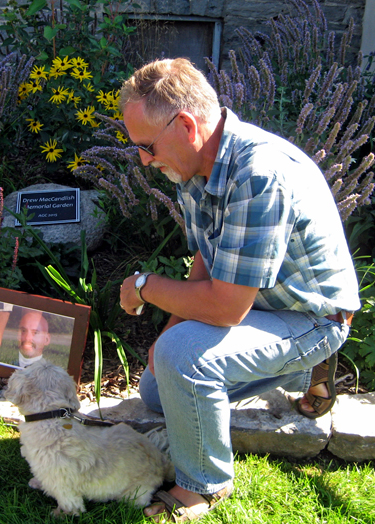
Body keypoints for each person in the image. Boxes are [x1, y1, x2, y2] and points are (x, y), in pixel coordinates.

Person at [118, 58, 360, 523]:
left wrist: (145, 287)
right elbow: (208, 258)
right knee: (156, 388)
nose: (145, 161)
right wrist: (171, 329)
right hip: (261, 308)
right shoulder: (195, 166)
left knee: (184, 359)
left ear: (186, 125)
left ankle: (203, 485)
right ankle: (304, 374)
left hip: (310, 318)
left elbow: (226, 307)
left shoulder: (259, 173)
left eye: (146, 147)